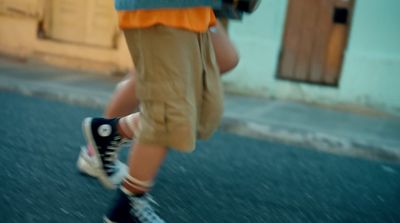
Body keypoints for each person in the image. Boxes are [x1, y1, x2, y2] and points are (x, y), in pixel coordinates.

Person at [78, 2, 239, 222]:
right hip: (160, 10)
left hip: (194, 11)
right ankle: (127, 206)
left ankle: (110, 132)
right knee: (168, 117)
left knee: (204, 109)